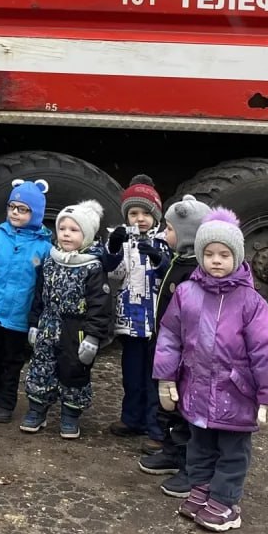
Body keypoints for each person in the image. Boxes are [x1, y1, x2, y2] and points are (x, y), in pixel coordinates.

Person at [154, 208, 268, 532]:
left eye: (224, 254)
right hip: (196, 390)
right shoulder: (187, 293)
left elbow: (267, 351)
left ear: (237, 256)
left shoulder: (250, 301)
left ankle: (226, 502)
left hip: (235, 395)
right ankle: (202, 488)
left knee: (232, 451)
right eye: (209, 254)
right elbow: (170, 336)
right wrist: (166, 378)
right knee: (199, 445)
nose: (215, 260)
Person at [139, 195, 212, 492]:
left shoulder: (196, 271)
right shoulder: (179, 261)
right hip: (167, 350)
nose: (163, 234)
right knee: (166, 407)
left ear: (186, 235)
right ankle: (170, 452)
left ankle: (190, 468)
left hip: (186, 359)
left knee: (183, 412)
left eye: (168, 229)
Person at [21, 200, 111, 438]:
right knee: (42, 366)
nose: (66, 234)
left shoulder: (92, 267)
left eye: (74, 230)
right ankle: (36, 410)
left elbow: (99, 306)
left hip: (76, 327)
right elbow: (39, 295)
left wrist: (93, 336)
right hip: (49, 323)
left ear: (87, 235)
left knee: (75, 371)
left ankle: (70, 415)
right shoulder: (50, 260)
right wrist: (34, 323)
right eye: (63, 229)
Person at [0, 179, 54, 424]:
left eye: (23, 209)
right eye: (12, 207)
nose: (15, 213)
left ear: (35, 213)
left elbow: (43, 287)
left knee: (11, 363)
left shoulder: (44, 247)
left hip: (18, 319)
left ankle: (5, 402)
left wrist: (37, 319)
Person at [103, 174, 170, 449]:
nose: (139, 218)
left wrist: (159, 259)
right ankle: (131, 419)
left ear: (156, 215)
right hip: (130, 321)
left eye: (145, 213)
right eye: (133, 213)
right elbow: (112, 272)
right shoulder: (123, 240)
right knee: (131, 375)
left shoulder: (165, 241)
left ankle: (155, 426)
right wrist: (114, 247)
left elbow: (172, 277)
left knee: (154, 377)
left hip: (157, 323)